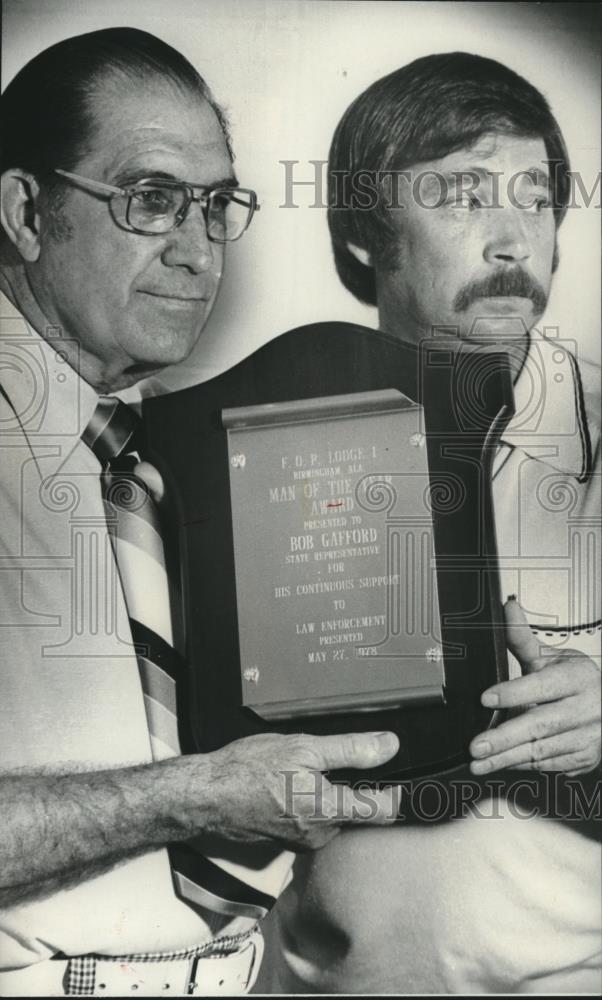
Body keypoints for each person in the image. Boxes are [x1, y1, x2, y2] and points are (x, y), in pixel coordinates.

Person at [0, 28, 401, 997]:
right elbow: (213, 787)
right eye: (150, 198)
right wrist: (189, 797)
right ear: (25, 211)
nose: (195, 251)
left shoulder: (195, 455)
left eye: (216, 206)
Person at [264, 52, 602, 994]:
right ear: (369, 231)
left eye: (535, 199)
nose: (511, 242)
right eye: (461, 196)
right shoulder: (267, 442)